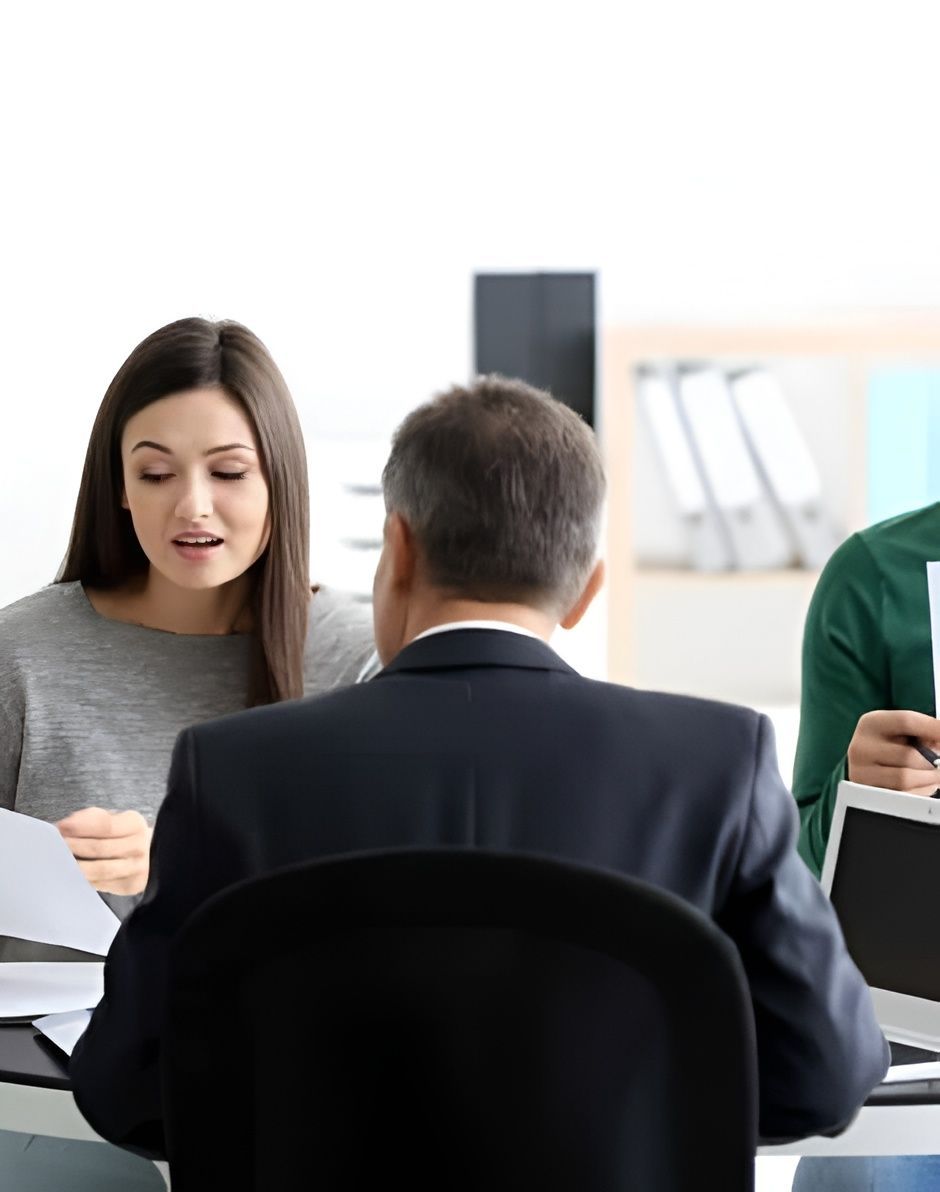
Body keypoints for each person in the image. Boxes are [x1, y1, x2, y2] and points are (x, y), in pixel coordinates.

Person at [70, 374, 889, 1156]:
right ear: (584, 591)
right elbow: (824, 1077)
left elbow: (124, 1088)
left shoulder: (235, 771)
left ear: (398, 550)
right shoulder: (717, 766)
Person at [0, 316, 376, 1190]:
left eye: (229, 472)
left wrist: (177, 867)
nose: (192, 505)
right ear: (120, 489)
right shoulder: (23, 652)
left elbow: (388, 901)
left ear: (281, 481)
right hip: (49, 1103)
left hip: (294, 1101)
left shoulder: (355, 655)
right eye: (156, 473)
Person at [791, 504, 940, 1192]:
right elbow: (798, 866)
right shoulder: (873, 578)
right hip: (919, 1023)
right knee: (866, 1167)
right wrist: (859, 788)